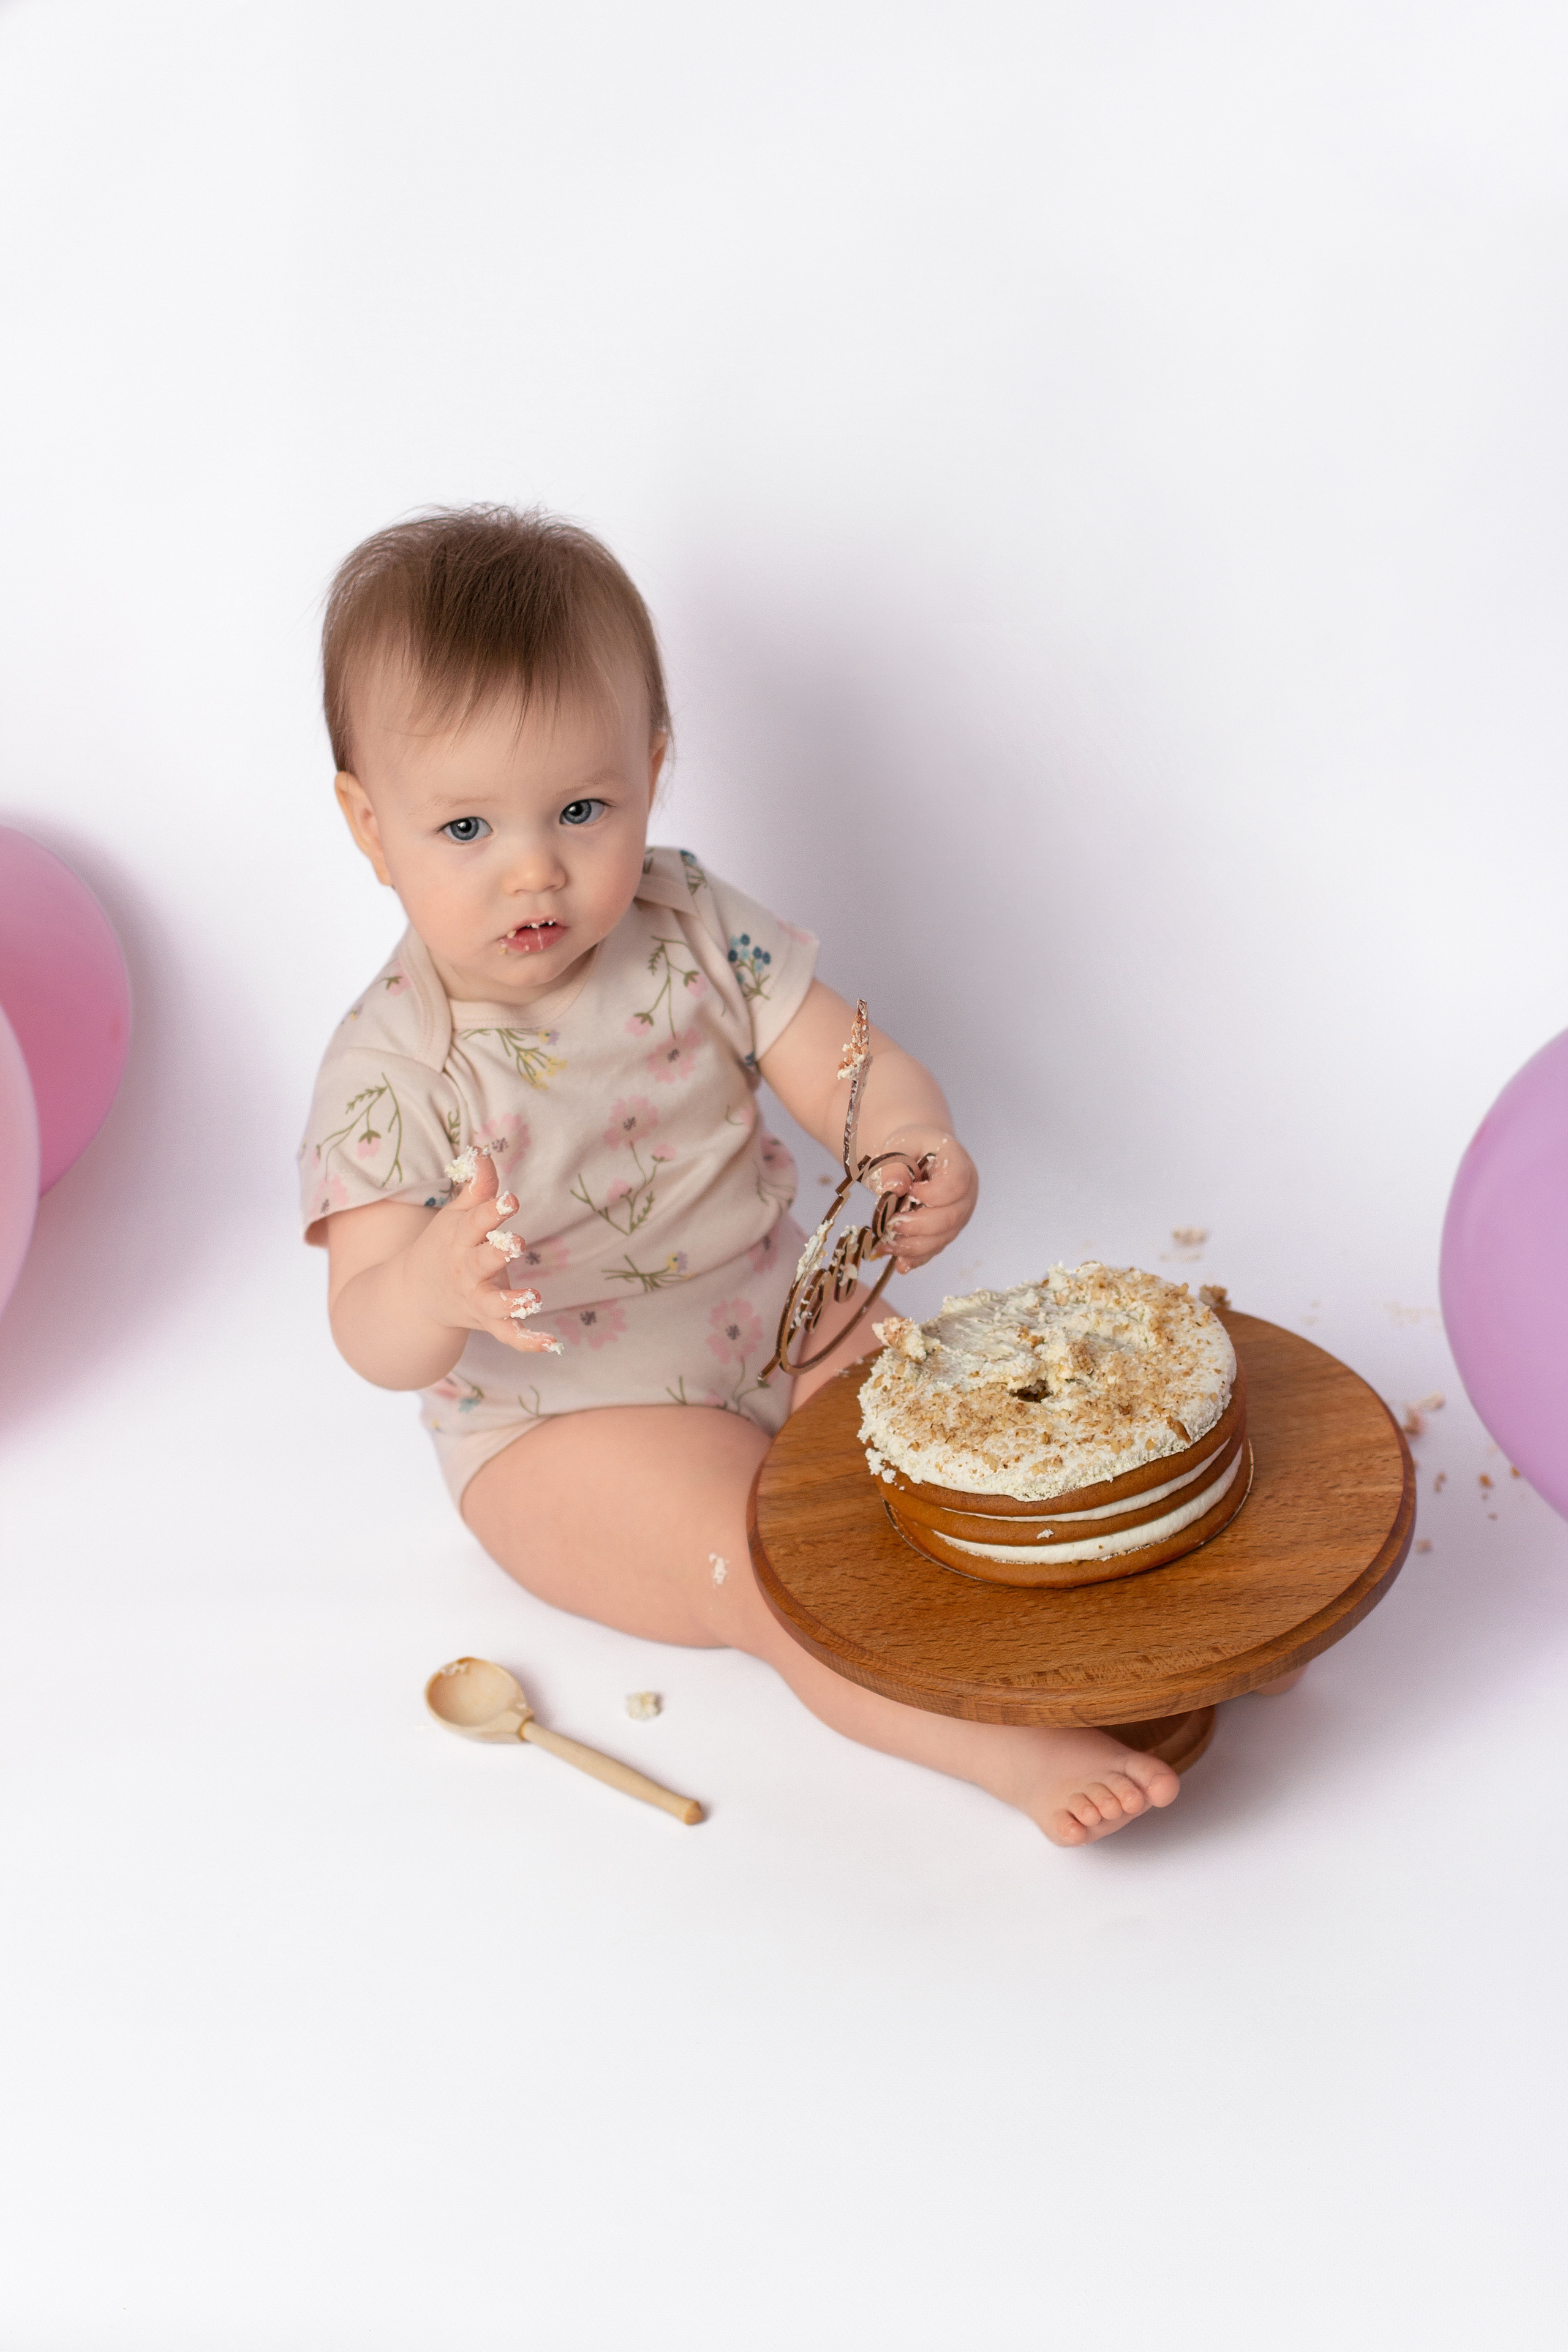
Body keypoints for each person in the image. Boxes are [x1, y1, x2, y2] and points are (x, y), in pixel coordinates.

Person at [301, 505, 1182, 1845]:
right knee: (764, 1558)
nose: (534, 867)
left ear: (650, 773)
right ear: (371, 827)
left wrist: (907, 1143)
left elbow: (848, 1064)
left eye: (580, 809)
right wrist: (427, 1279)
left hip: (781, 1325)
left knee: (973, 1457)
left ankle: (1159, 1635)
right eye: (466, 827)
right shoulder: (392, 1065)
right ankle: (1001, 1750)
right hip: (563, 1426)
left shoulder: (687, 924)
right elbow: (368, 1330)